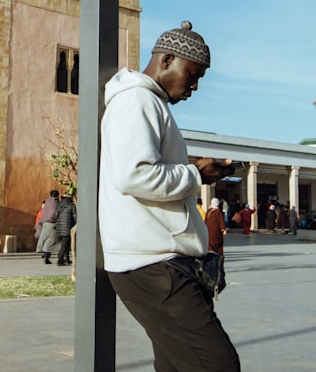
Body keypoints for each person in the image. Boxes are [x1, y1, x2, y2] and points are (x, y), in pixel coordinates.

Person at [99, 20, 240, 371]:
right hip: (152, 264)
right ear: (165, 60)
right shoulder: (137, 100)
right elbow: (135, 175)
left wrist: (199, 170)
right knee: (217, 364)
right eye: (191, 74)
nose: (193, 86)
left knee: (176, 366)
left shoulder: (149, 103)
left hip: (160, 262)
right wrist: (195, 175)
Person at [36, 189, 60, 264]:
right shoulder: (56, 202)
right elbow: (55, 213)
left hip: (44, 223)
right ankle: (49, 257)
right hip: (52, 223)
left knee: (46, 240)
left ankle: (46, 256)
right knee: (51, 241)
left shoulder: (47, 202)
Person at [54, 194, 76, 266]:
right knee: (65, 245)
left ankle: (67, 259)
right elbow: (74, 216)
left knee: (65, 244)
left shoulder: (59, 205)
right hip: (67, 227)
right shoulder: (71, 205)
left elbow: (55, 216)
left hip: (59, 227)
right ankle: (60, 259)